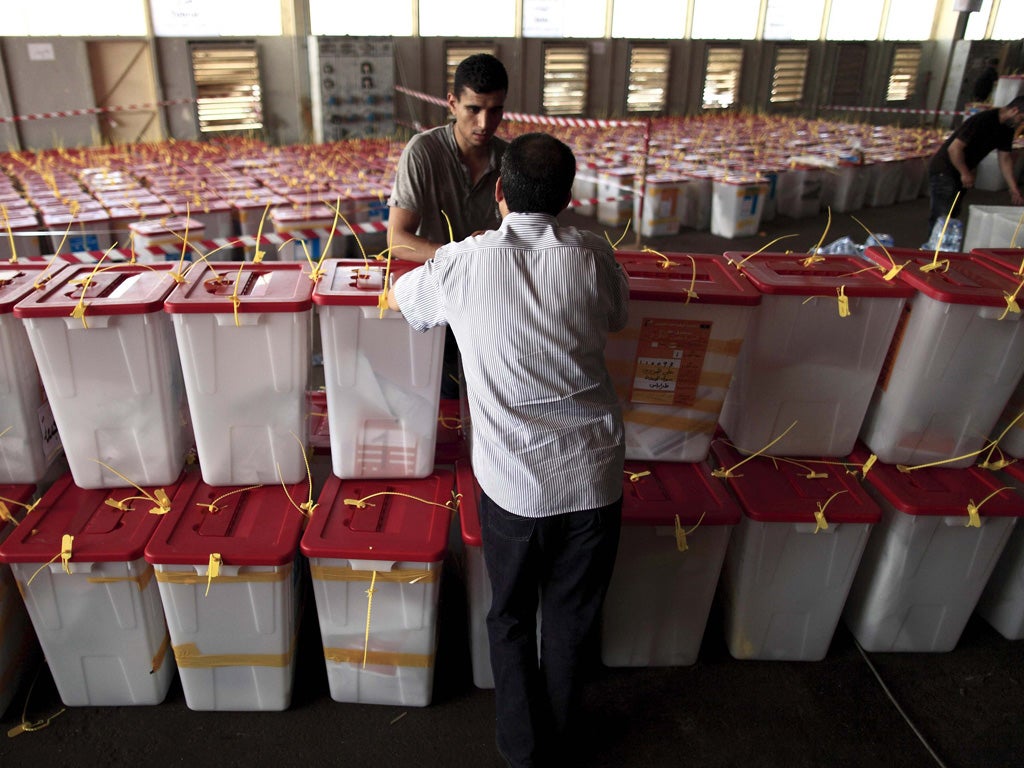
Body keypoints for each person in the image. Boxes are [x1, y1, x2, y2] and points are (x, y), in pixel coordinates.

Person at [387, 132, 629, 768]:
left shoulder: (464, 264)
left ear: (498, 192)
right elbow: (618, 316)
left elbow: (404, 302)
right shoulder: (593, 254)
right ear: (570, 199)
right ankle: (564, 735)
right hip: (591, 478)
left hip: (513, 486)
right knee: (573, 616)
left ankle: (523, 751)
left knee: (512, 615)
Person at [387, 53, 509, 398]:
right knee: (438, 394)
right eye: (474, 109)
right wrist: (461, 254)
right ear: (453, 104)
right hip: (435, 296)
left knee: (485, 396)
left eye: (496, 110)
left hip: (490, 301)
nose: (485, 123)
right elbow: (397, 239)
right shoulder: (422, 153)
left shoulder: (509, 160)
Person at [927, 95, 1024, 230]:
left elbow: (1005, 158)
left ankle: (942, 246)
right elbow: (954, 149)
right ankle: (934, 248)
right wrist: (964, 173)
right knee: (943, 216)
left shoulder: (1007, 129)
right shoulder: (983, 120)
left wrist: (1013, 188)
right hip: (945, 169)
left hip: (960, 173)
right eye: (1021, 118)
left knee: (952, 213)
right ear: (1014, 110)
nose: (1020, 124)